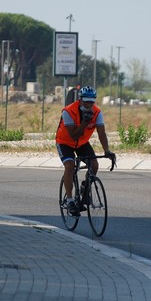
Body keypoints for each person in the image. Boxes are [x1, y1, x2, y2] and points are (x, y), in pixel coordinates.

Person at [56, 85, 115, 217]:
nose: (88, 104)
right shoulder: (68, 111)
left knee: (94, 164)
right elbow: (74, 136)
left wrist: (107, 150)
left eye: (91, 102)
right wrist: (84, 122)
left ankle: (85, 188)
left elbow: (101, 133)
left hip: (82, 143)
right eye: (86, 101)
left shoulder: (97, 112)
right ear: (80, 100)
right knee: (70, 165)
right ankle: (70, 200)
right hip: (65, 142)